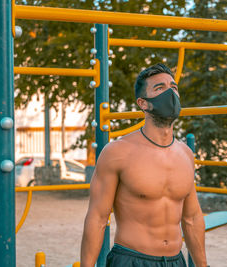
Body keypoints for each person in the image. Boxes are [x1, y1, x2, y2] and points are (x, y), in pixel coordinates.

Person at [80, 63, 207, 267]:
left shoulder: (186, 154)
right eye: (160, 88)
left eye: (173, 87)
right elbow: (97, 218)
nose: (170, 93)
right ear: (143, 103)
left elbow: (192, 218)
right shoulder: (118, 152)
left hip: (176, 261)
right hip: (131, 260)